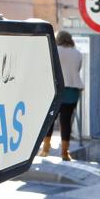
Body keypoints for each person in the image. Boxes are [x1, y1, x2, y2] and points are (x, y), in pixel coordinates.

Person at [40, 30, 84, 160]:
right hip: (72, 92)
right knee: (66, 121)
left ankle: (45, 149)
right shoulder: (77, 53)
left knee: (50, 120)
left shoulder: (54, 51)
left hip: (55, 90)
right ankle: (65, 153)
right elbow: (77, 69)